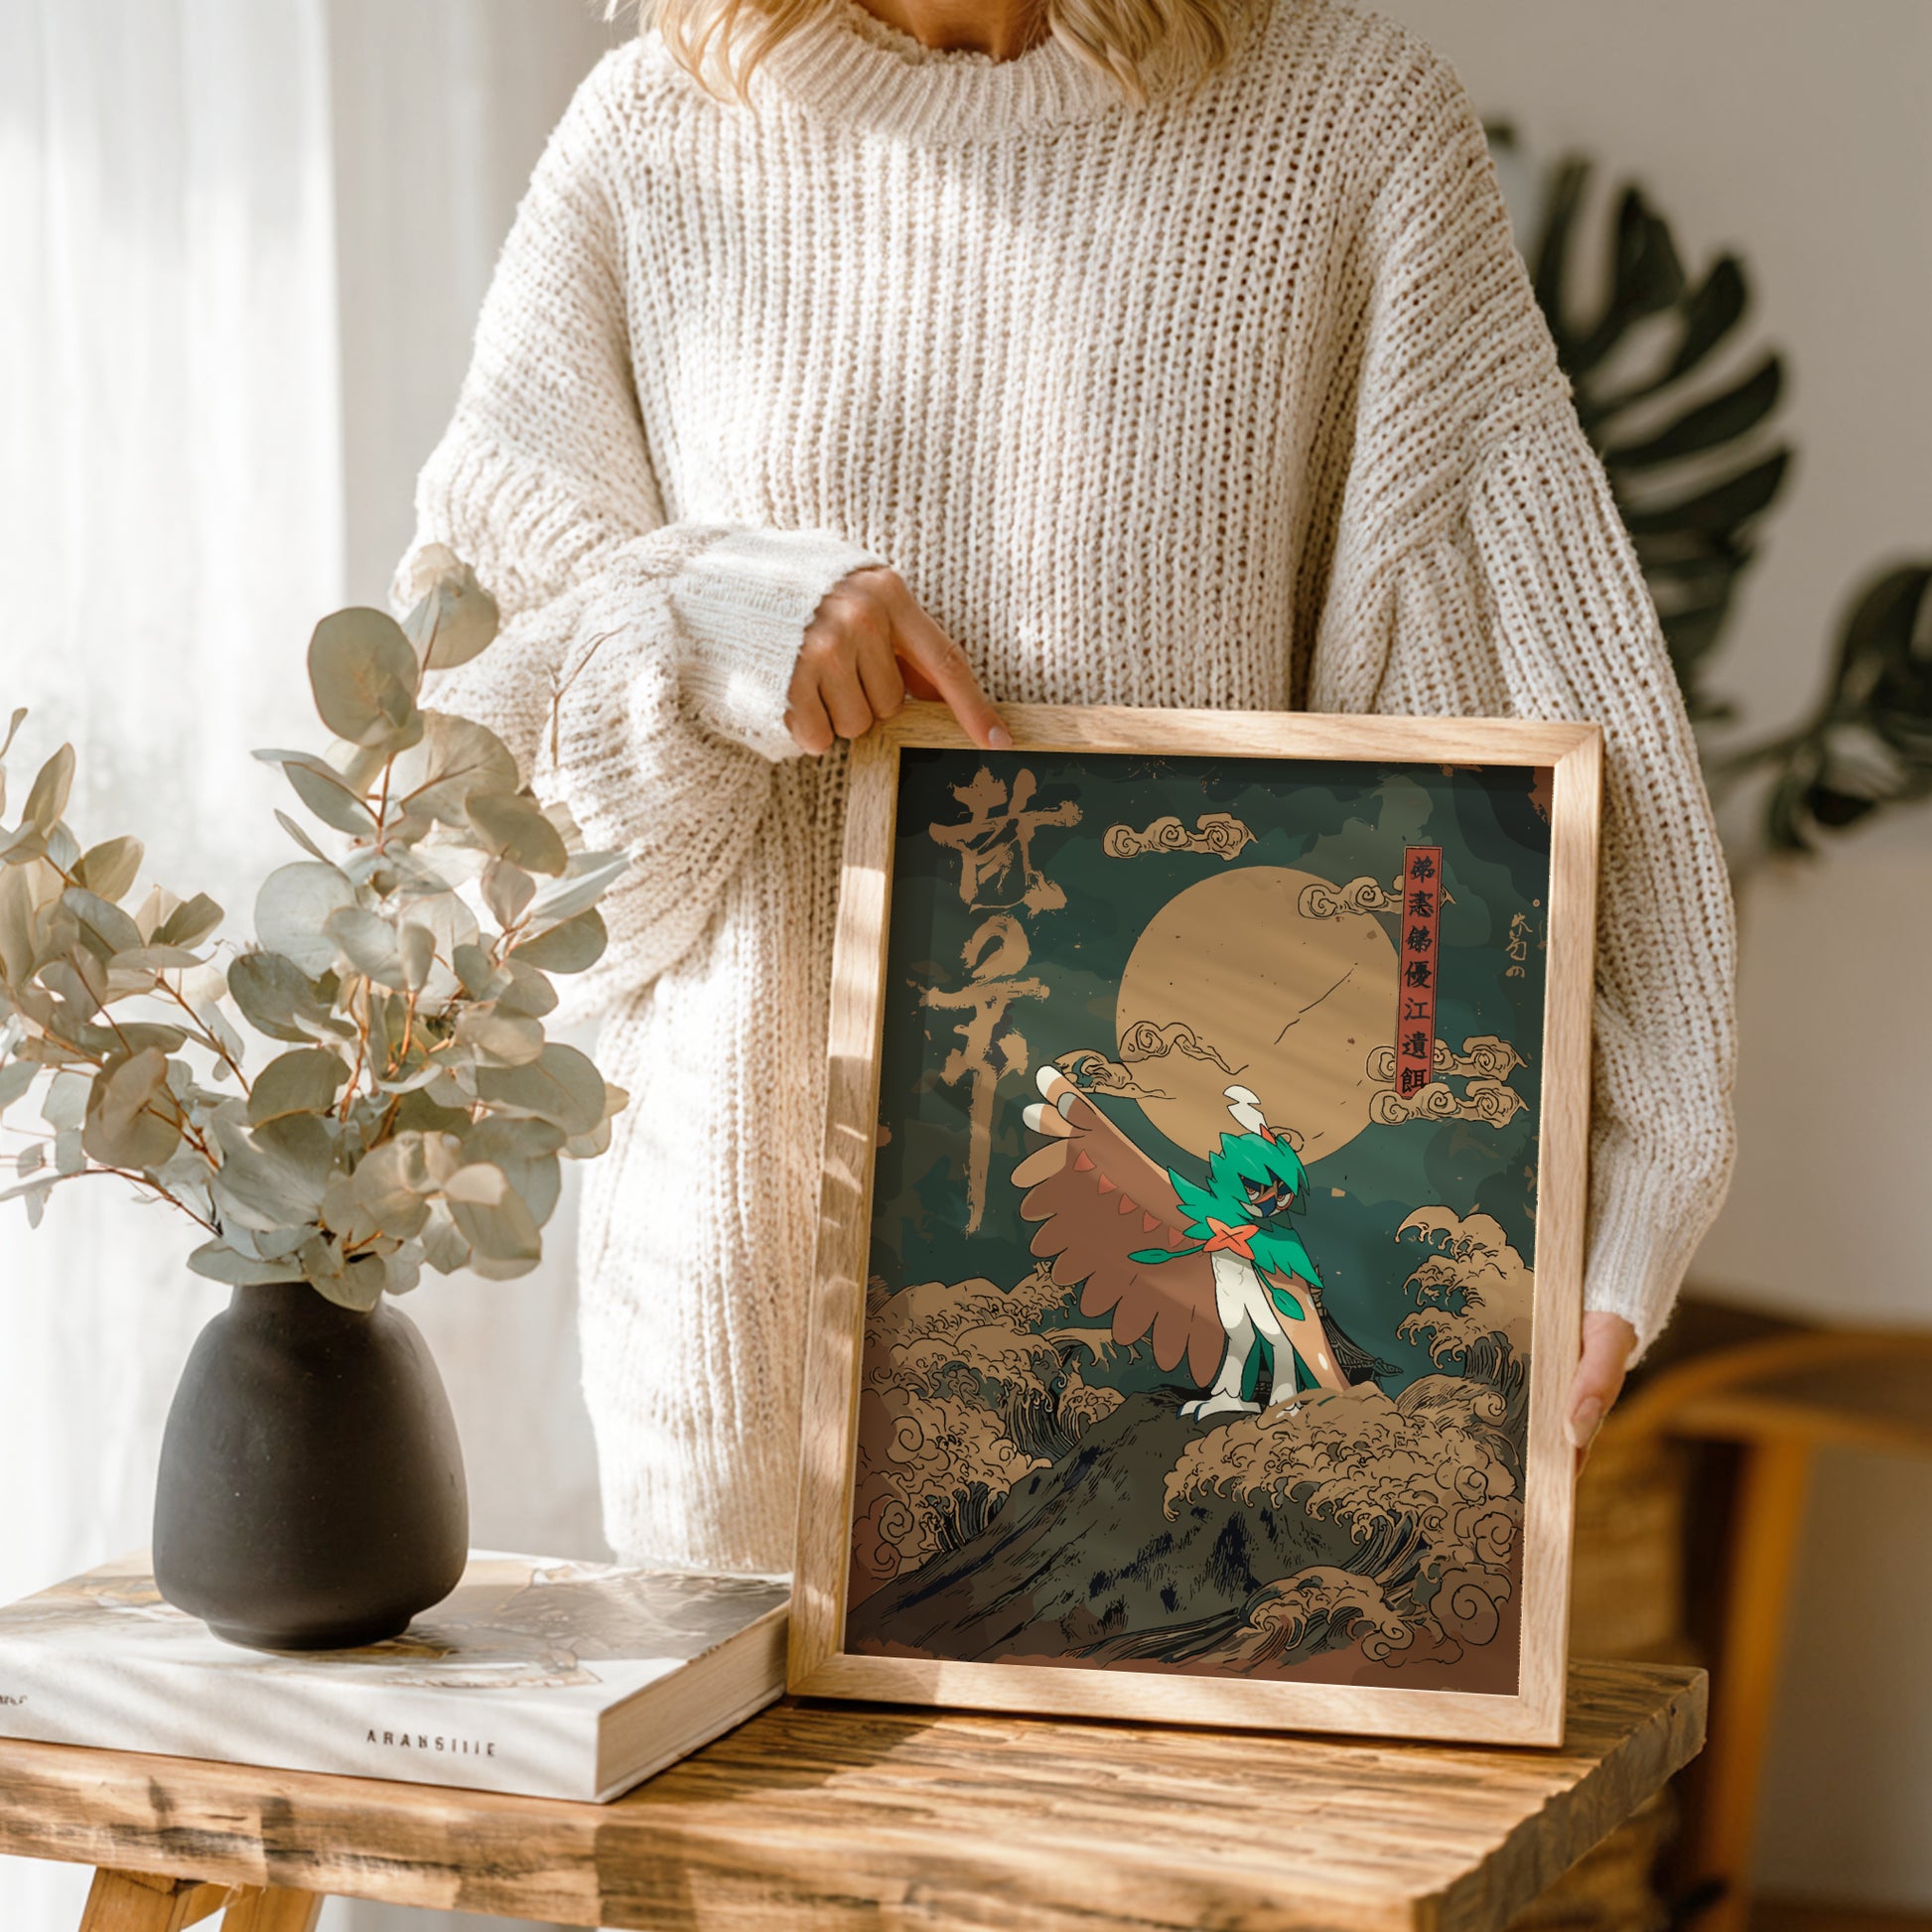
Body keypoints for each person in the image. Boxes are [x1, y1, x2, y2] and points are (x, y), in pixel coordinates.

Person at [391, 0, 1736, 1576]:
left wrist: (1623, 1175)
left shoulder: (1344, 128)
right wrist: (705, 621)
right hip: (741, 1349)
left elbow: (1520, 705)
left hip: (1194, 1418)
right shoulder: (649, 142)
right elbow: (465, 821)